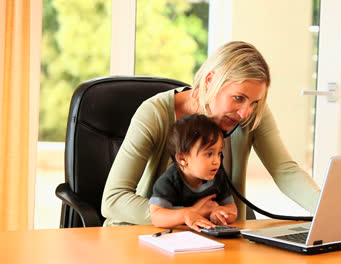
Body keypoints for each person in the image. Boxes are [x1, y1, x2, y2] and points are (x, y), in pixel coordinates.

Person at [101, 40, 321, 226]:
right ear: (210, 81)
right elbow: (113, 199)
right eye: (238, 98)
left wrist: (328, 211)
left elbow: (285, 171)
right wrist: (184, 215)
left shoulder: (252, 113)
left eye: (254, 102)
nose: (245, 113)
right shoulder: (154, 113)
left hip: (217, 239)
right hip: (146, 236)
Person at [149, 114, 237, 231]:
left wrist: (220, 213)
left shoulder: (218, 176)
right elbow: (156, 216)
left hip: (207, 237)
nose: (217, 161)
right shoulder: (169, 181)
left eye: (219, 153)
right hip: (177, 238)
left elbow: (232, 209)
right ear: (182, 159)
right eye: (209, 154)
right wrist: (186, 214)